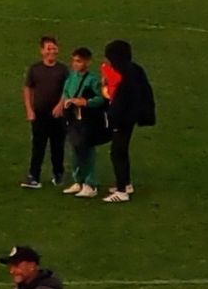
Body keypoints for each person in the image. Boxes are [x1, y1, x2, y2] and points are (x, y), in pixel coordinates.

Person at [101, 39, 155, 203]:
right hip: (131, 117)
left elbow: (118, 99)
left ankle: (122, 191)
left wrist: (111, 115)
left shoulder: (122, 75)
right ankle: (125, 183)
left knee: (117, 152)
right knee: (121, 151)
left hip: (123, 118)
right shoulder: (135, 69)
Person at [58, 47, 107, 197]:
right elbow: (65, 93)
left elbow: (101, 99)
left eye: (78, 61)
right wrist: (65, 103)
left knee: (88, 150)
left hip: (88, 120)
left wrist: (85, 102)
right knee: (75, 149)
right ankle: (78, 181)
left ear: (87, 62)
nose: (75, 64)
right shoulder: (71, 78)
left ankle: (90, 184)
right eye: (74, 60)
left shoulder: (92, 80)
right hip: (73, 119)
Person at [21, 36, 68, 190]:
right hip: (39, 114)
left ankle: (58, 174)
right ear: (42, 51)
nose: (51, 51)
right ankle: (34, 176)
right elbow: (28, 89)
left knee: (57, 146)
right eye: (48, 48)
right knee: (38, 146)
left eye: (54, 48)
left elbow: (68, 90)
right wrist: (29, 109)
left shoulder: (62, 69)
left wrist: (60, 106)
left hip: (58, 115)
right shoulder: (35, 69)